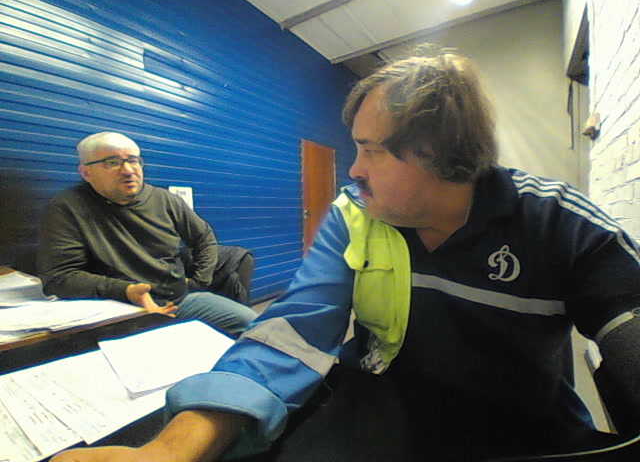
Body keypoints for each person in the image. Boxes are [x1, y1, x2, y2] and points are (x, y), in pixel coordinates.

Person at [51, 49, 640, 462]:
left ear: (437, 151)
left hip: (522, 426)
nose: (353, 169)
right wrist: (167, 451)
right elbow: (293, 332)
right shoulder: (356, 214)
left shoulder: (560, 223)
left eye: (369, 150)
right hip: (383, 409)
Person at [38, 131, 257, 337]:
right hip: (119, 310)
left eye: (133, 160)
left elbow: (204, 239)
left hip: (177, 301)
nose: (128, 170)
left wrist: (199, 282)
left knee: (254, 326)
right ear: (86, 172)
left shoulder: (166, 200)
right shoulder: (68, 207)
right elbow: (59, 278)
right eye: (112, 162)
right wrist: (128, 291)